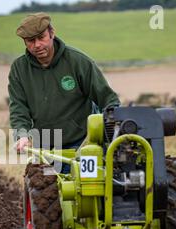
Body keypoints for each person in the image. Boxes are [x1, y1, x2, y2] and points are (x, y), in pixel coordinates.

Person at [8, 12, 120, 173]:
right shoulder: (19, 69)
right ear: (25, 43)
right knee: (44, 193)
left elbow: (108, 100)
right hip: (44, 147)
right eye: (31, 41)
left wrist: (111, 131)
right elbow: (18, 108)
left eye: (41, 37)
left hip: (81, 144)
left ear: (52, 33)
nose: (37, 45)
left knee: (87, 190)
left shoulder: (78, 62)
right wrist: (22, 135)